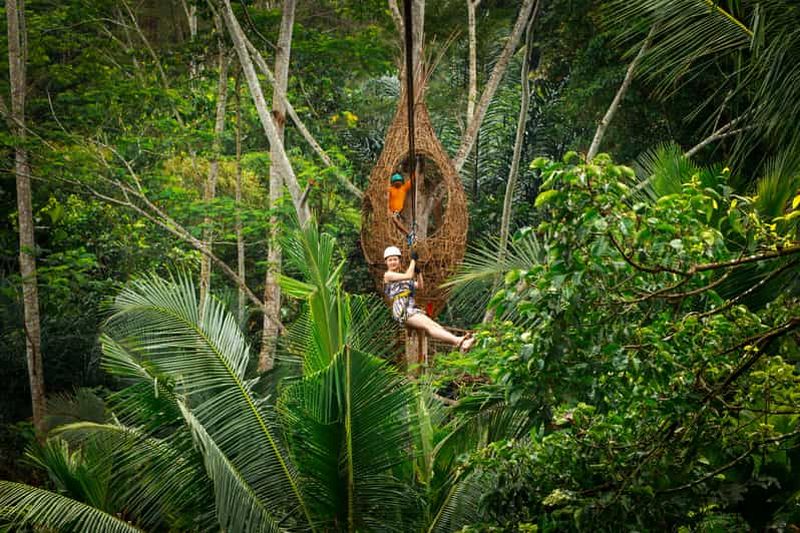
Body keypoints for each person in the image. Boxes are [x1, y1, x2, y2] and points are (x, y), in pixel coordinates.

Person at [383, 246, 475, 352]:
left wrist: (418, 273)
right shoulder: (388, 275)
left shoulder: (402, 278)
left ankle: (460, 341)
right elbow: (408, 275)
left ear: (399, 260)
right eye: (390, 260)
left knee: (434, 325)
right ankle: (459, 341)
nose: (393, 262)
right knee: (428, 326)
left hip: (410, 307)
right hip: (402, 309)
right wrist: (413, 260)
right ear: (386, 262)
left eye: (395, 259)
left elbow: (420, 286)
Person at [388, 170, 413, 235]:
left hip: (397, 211)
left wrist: (416, 170)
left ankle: (408, 234)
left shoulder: (403, 188)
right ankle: (408, 234)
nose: (398, 183)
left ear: (402, 182)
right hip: (390, 211)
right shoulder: (390, 189)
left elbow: (412, 180)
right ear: (393, 183)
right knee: (396, 223)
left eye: (399, 181)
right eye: (396, 182)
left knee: (396, 222)